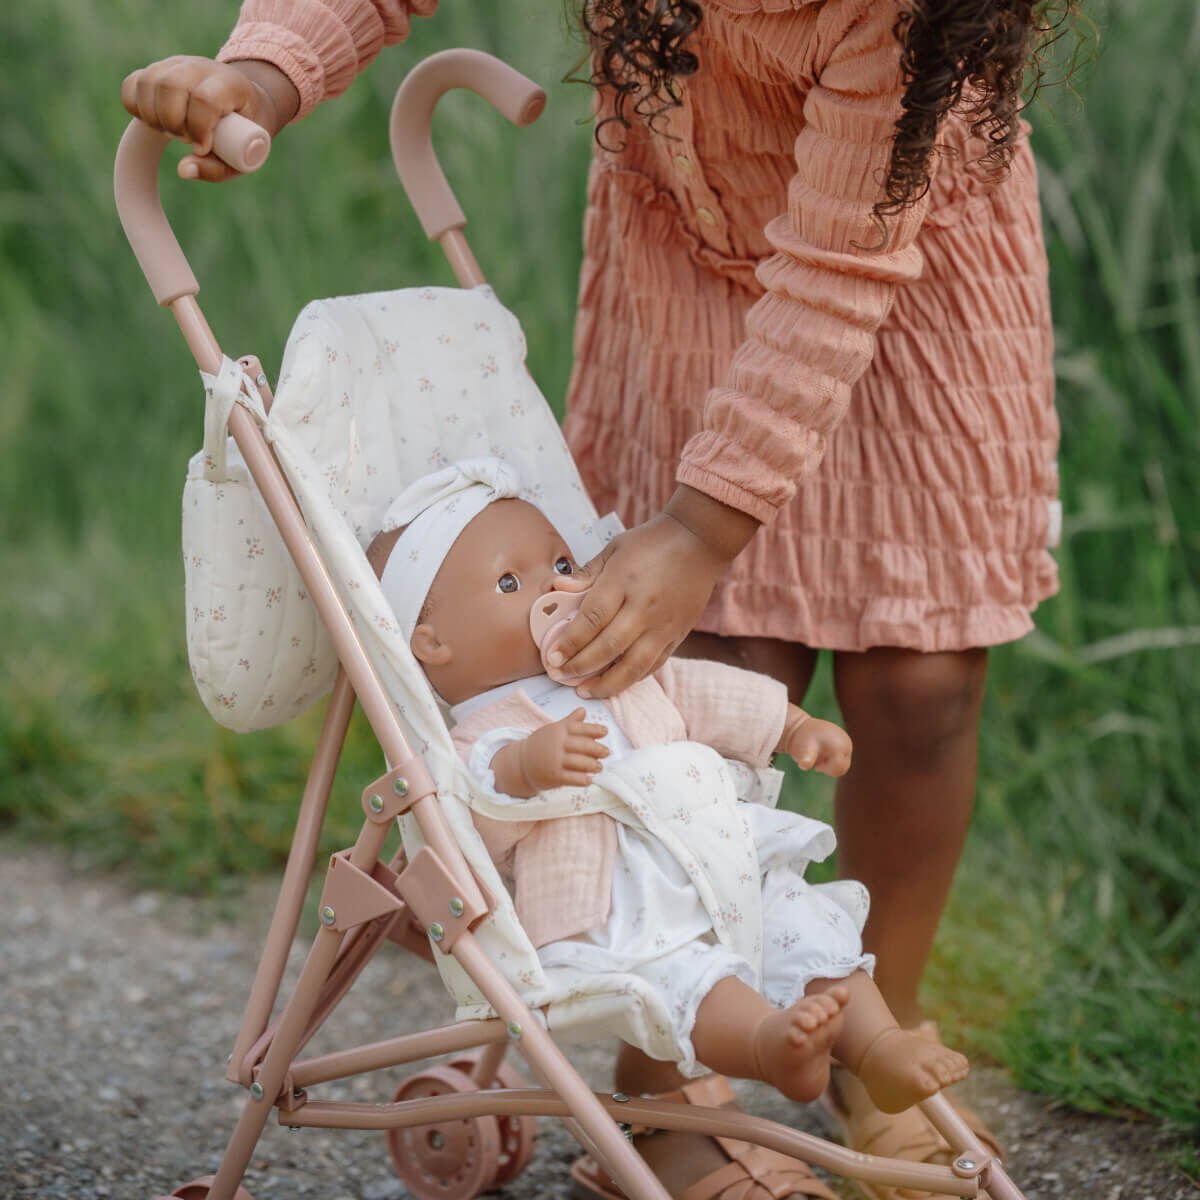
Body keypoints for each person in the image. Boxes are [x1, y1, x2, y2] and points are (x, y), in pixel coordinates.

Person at [122, 2, 1063, 1196]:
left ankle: (877, 1038)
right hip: (687, 255)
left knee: (921, 681)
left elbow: (837, 266)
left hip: (906, 270)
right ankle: (671, 1088)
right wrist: (264, 70)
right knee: (691, 646)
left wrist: (702, 522)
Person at [369, 457, 970, 1158]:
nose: (554, 588)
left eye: (562, 562)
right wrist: (527, 768)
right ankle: (769, 1046)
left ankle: (880, 1047)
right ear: (432, 642)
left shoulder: (609, 669)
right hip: (617, 911)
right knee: (684, 978)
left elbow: (704, 691)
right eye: (511, 582)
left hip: (721, 863)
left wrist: (793, 727)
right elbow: (469, 816)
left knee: (806, 925)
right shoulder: (479, 735)